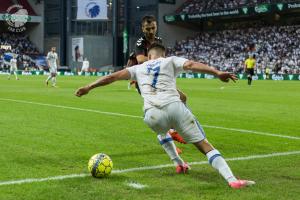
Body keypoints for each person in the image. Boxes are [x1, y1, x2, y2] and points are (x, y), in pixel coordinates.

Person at [75, 43, 255, 189]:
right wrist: (217, 73)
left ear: (150, 55)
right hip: (175, 107)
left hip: (152, 114)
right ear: (163, 53)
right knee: (204, 145)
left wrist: (88, 87)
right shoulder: (170, 60)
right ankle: (232, 180)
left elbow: (112, 77)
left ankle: (179, 163)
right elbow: (191, 65)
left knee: (161, 131)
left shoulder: (138, 68)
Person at [128, 15, 187, 150]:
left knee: (182, 97)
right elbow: (142, 60)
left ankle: (173, 131)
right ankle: (169, 138)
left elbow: (163, 59)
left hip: (160, 78)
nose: (151, 31)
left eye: (153, 28)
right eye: (148, 28)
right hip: (145, 82)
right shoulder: (140, 43)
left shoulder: (159, 40)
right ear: (143, 28)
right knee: (159, 111)